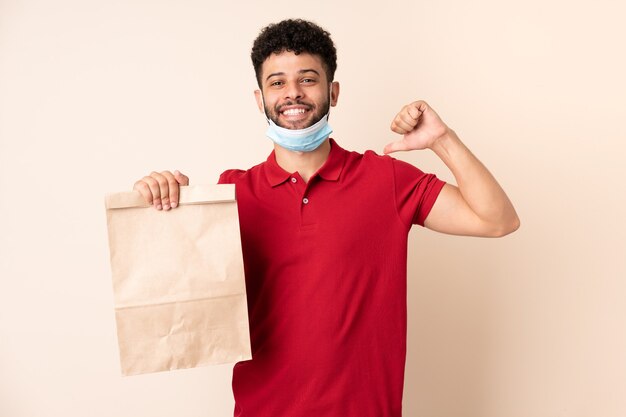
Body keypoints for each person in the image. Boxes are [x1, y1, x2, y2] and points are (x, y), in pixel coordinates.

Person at [133, 18, 519, 417]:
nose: (293, 93)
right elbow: (176, 300)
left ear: (333, 92)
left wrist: (442, 139)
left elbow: (497, 220)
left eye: (308, 79)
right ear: (259, 97)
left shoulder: (385, 179)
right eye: (277, 82)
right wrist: (161, 201)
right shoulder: (230, 194)